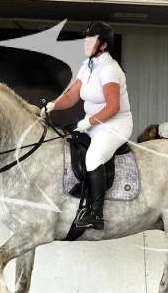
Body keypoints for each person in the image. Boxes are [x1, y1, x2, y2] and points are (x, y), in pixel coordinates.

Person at [41, 21, 133, 230]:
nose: (85, 43)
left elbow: (113, 108)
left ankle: (96, 214)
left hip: (114, 124)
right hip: (92, 123)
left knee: (93, 157)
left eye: (90, 40)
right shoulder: (87, 66)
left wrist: (88, 122)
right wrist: (53, 105)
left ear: (103, 45)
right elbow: (72, 96)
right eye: (85, 39)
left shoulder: (109, 69)